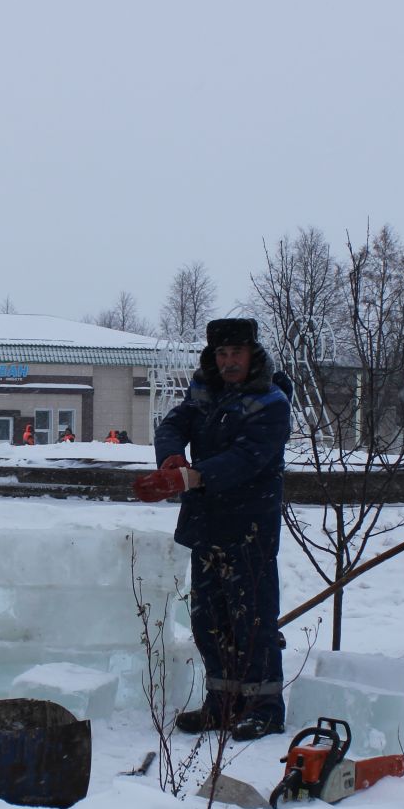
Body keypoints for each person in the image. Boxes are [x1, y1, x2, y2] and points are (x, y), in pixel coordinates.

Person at [134, 317, 292, 742]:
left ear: (252, 353)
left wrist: (193, 478)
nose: (228, 361)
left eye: (236, 352)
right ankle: (222, 703)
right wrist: (171, 460)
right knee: (209, 619)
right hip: (207, 525)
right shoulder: (203, 394)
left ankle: (265, 707)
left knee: (253, 619)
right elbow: (171, 426)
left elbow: (248, 458)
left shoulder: (271, 402)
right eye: (221, 353)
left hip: (249, 528)